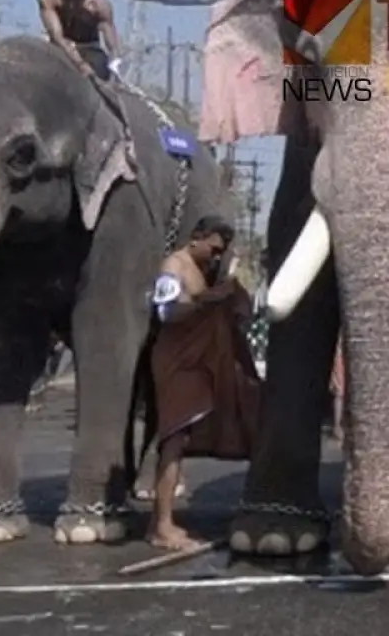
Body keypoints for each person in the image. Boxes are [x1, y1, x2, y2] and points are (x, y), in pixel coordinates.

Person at [145, 216, 262, 551]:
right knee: (173, 439)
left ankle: (159, 521)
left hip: (195, 362)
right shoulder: (174, 265)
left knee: (177, 440)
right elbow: (165, 311)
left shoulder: (203, 269)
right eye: (212, 248)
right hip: (175, 362)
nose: (214, 256)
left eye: (219, 252)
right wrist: (205, 302)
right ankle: (162, 526)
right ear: (196, 238)